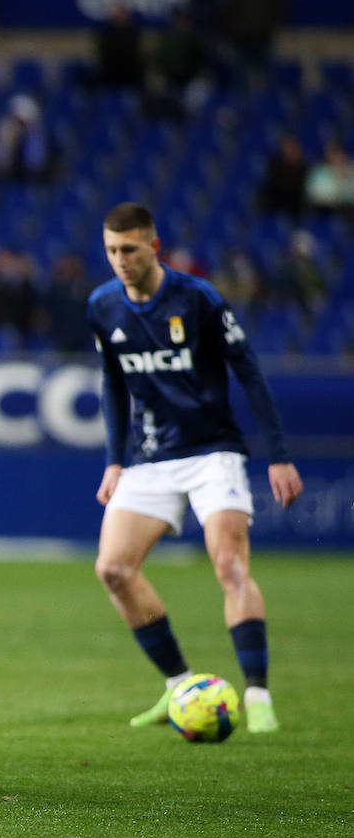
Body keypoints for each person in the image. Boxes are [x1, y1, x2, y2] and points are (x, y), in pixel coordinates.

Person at [88, 202, 302, 735]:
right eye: (112, 250)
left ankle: (256, 695)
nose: (121, 260)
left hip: (213, 453)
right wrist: (115, 460)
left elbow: (248, 371)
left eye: (130, 249)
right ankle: (179, 686)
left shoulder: (198, 298)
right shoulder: (102, 306)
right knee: (113, 569)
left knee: (229, 566)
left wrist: (278, 454)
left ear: (153, 247)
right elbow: (114, 385)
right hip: (150, 458)